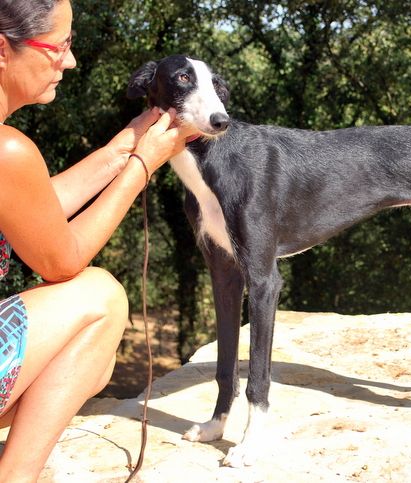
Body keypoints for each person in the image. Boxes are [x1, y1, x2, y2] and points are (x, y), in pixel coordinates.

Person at [0, 1, 196, 480]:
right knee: (100, 297)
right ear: (2, 49)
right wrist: (142, 166)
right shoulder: (7, 150)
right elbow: (61, 261)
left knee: (93, 362)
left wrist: (123, 145)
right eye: (60, 46)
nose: (69, 61)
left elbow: (37, 204)